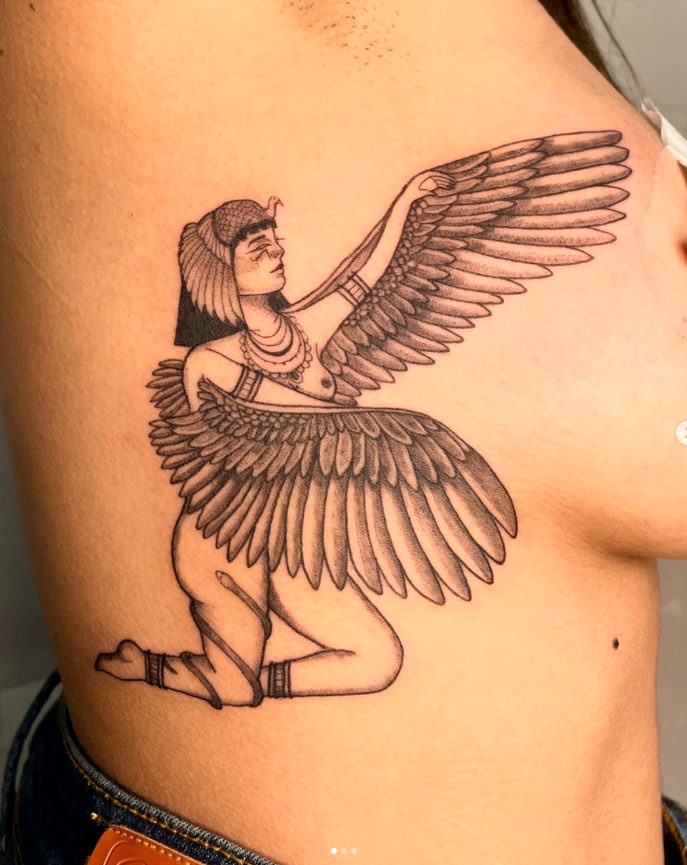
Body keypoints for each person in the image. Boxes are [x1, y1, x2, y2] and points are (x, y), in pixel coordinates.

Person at [2, 1, 687, 863]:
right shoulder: (210, 364)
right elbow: (285, 433)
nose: (272, 245)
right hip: (229, 547)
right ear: (218, 271)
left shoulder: (301, 328)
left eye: (270, 233)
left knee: (368, 657)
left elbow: (364, 276)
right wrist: (394, 435)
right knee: (238, 678)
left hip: (633, 829)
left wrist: (408, 204)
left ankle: (224, 673)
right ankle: (176, 667)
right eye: (251, 242)